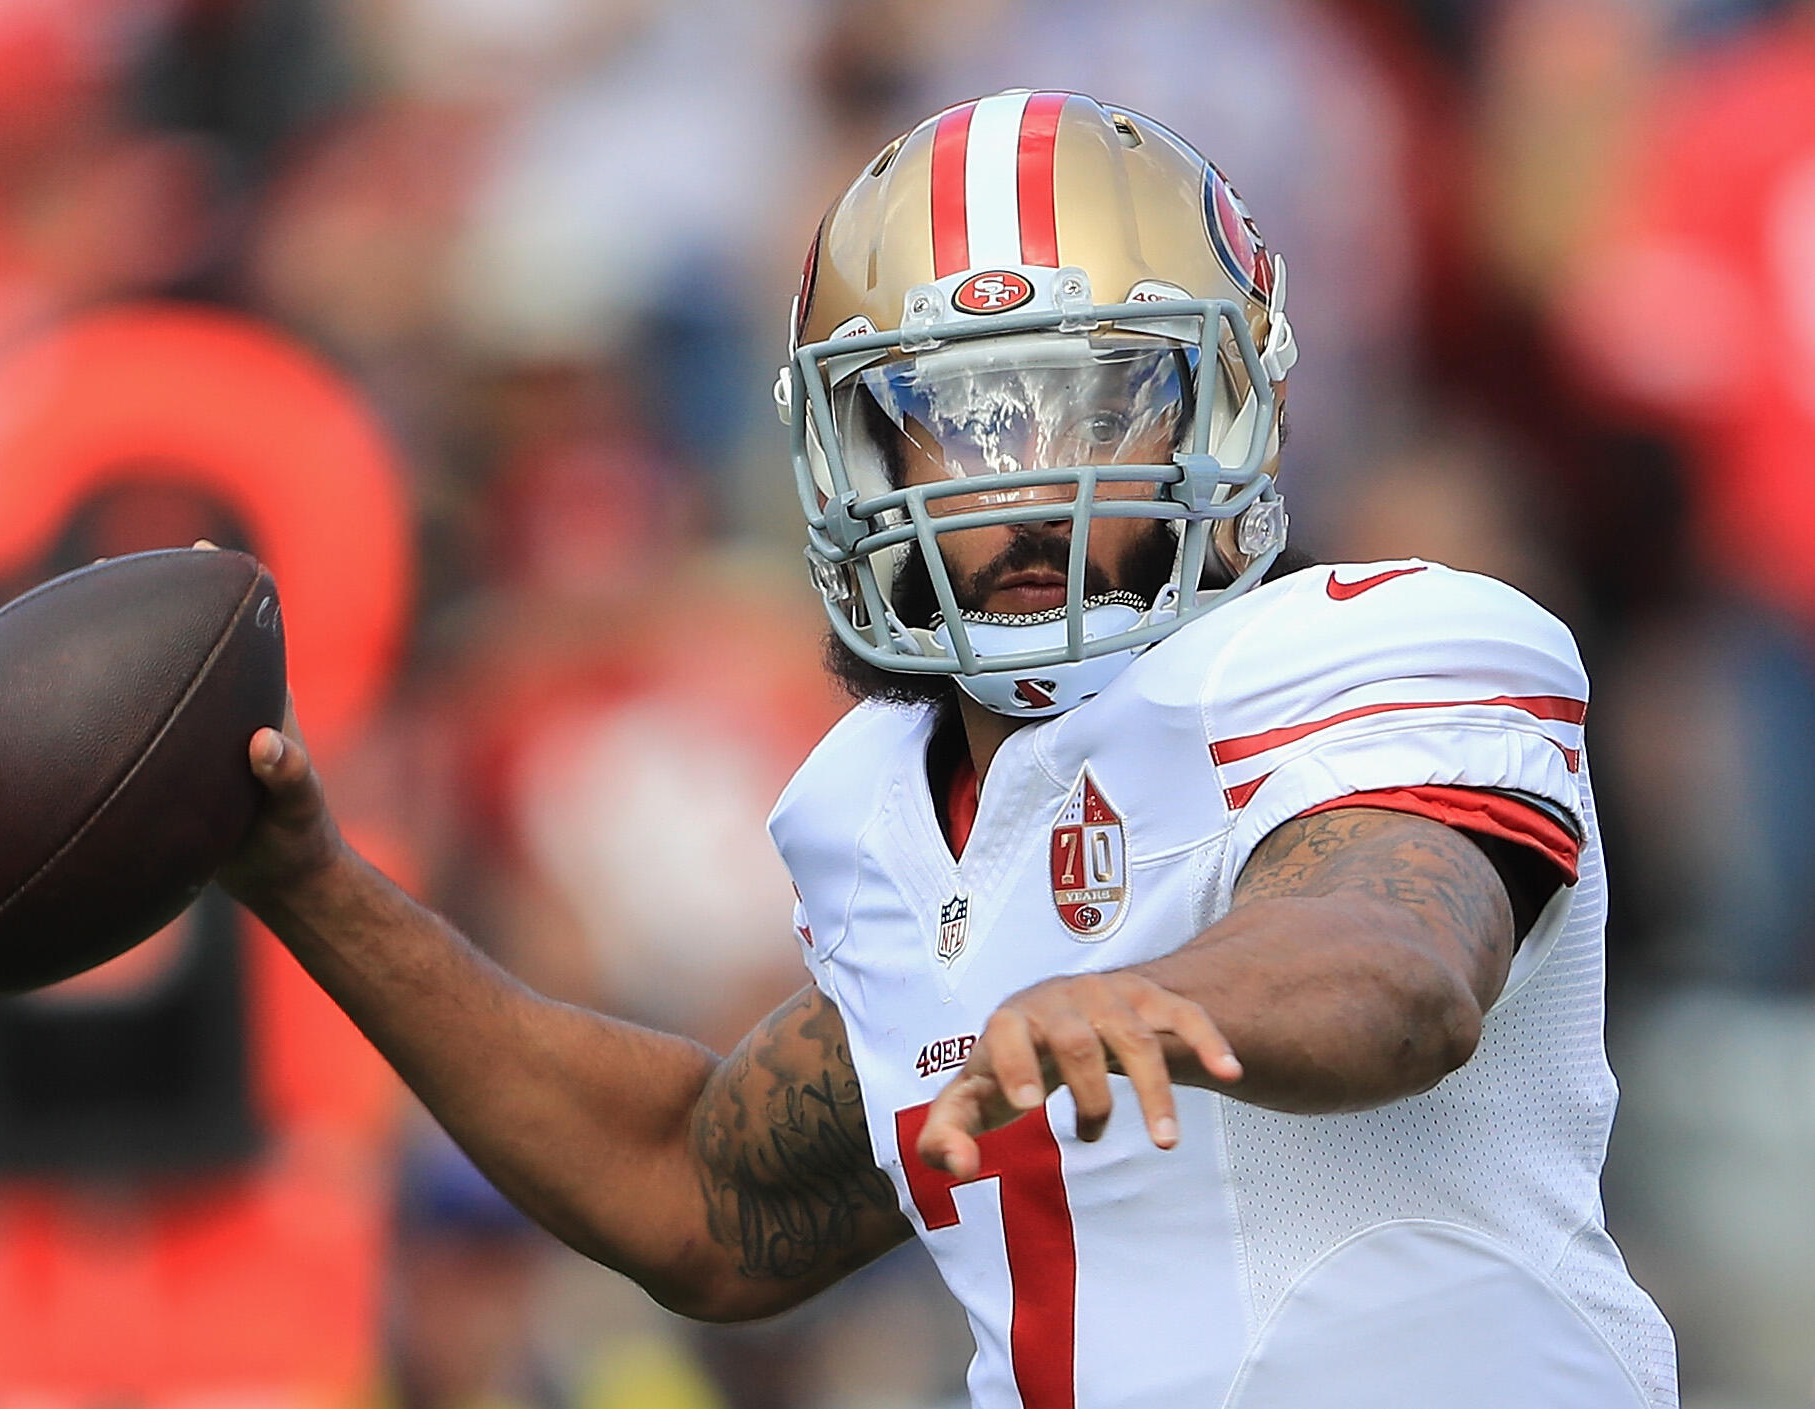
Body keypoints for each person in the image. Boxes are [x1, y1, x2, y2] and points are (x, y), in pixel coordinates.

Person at [220, 93, 1677, 1408]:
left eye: (1099, 399)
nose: (1029, 487)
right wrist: (309, 885)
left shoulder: (1377, 645)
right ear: (854, 453)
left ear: (1228, 406)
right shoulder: (884, 806)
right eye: (962, 416)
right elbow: (704, 1197)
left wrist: (1151, 992)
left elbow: (1397, 964)